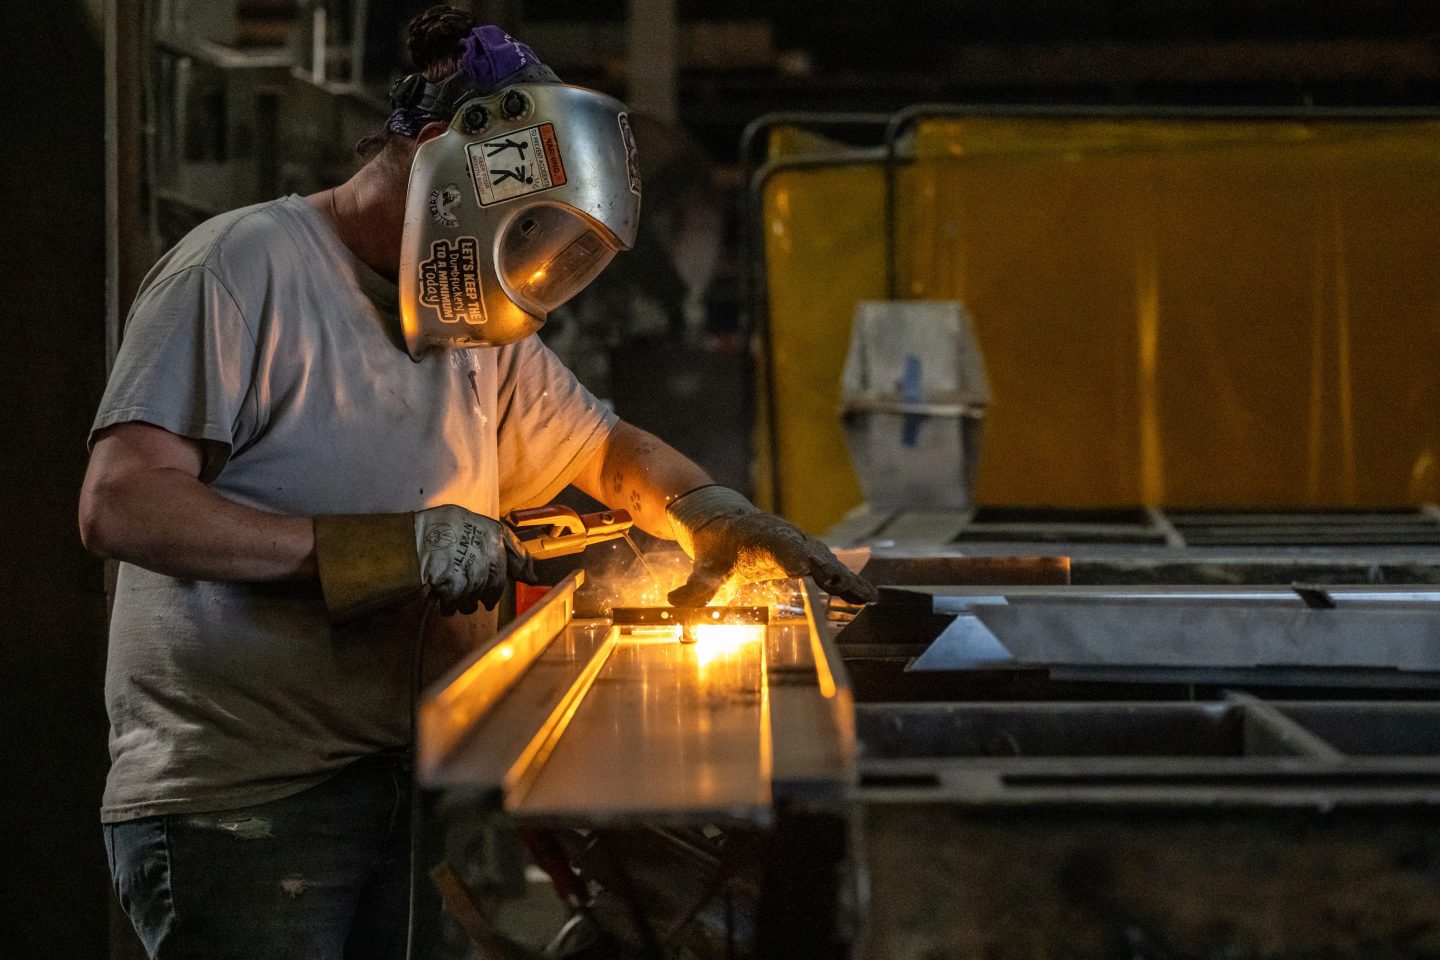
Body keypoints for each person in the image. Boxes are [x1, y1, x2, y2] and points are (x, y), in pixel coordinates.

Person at [80, 7, 876, 958]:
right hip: (248, 804)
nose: (530, 269)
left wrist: (712, 516)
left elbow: (603, 452)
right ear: (442, 156)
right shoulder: (242, 267)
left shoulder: (473, 332)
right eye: (526, 231)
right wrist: (383, 549)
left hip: (407, 785)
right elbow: (120, 503)